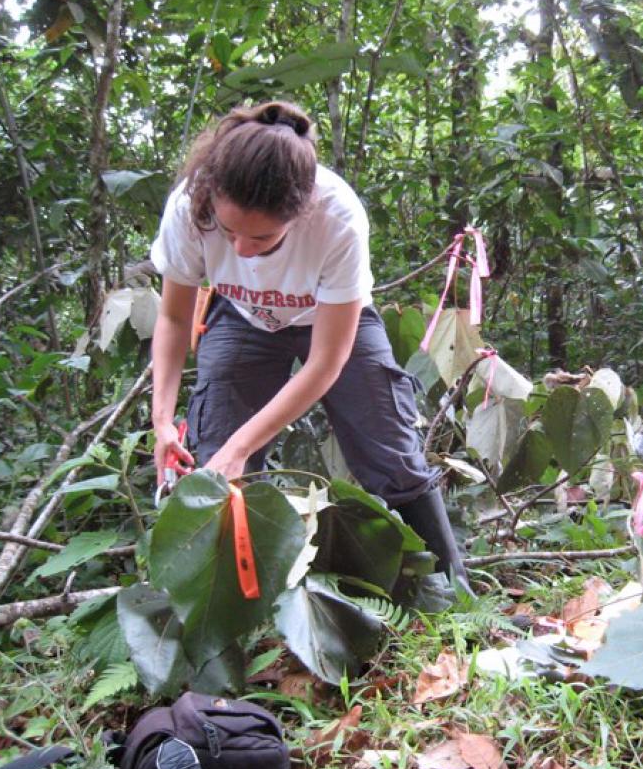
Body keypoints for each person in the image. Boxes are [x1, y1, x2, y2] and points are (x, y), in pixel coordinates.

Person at [149, 100, 472, 597]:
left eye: (262, 238)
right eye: (229, 231)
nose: (240, 251)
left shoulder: (337, 216)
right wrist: (162, 420)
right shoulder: (189, 206)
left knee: (389, 449)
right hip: (241, 318)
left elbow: (326, 361)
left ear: (299, 215)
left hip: (331, 323)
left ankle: (455, 599)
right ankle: (237, 613)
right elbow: (173, 318)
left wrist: (243, 446)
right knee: (218, 462)